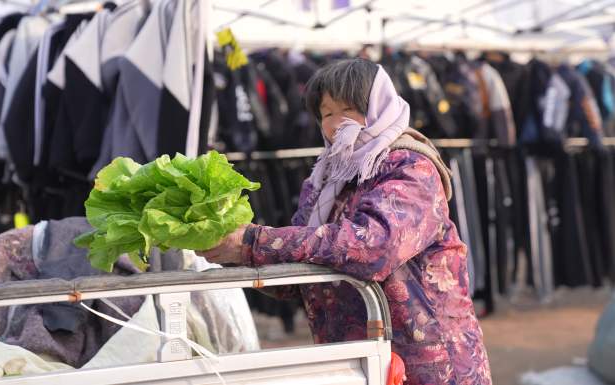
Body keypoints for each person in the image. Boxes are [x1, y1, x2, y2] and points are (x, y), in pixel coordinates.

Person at [202, 58, 492, 385]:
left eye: (350, 110)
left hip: (428, 365)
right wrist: (230, 251)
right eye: (327, 113)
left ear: (380, 107)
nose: (337, 123)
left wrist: (256, 242)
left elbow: (373, 247)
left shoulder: (411, 168)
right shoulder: (324, 180)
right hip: (355, 362)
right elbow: (299, 280)